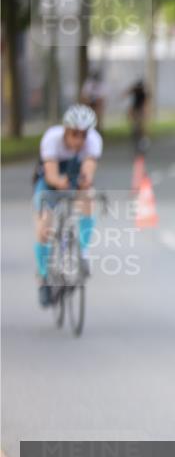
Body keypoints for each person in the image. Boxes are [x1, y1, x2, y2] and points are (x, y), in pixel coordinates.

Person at [32, 104, 102, 307]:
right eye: (74, 134)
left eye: (83, 135)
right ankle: (44, 278)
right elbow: (52, 174)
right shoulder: (52, 139)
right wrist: (59, 183)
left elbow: (88, 169)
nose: (78, 140)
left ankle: (83, 251)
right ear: (65, 130)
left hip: (74, 176)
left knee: (88, 197)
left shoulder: (94, 142)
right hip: (49, 181)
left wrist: (84, 181)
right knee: (45, 223)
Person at [123, 78, 148, 152]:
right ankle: (134, 132)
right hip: (135, 107)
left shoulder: (144, 93)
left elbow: (146, 104)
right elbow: (126, 93)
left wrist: (145, 113)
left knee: (141, 124)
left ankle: (144, 139)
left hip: (141, 108)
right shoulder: (135, 90)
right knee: (133, 121)